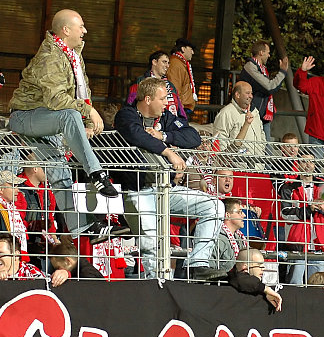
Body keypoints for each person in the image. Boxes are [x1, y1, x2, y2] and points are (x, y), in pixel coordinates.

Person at [9, 8, 119, 239]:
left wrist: (87, 120)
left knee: (60, 170)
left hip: (44, 119)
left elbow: (81, 91)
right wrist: (89, 111)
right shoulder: (50, 57)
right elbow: (56, 99)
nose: (85, 31)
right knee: (69, 116)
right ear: (66, 30)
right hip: (26, 117)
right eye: (81, 26)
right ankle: (96, 173)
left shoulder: (73, 56)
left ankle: (83, 228)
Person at [113, 77, 223, 280]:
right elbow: (137, 135)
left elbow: (193, 137)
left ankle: (197, 264)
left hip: (166, 188)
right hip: (137, 191)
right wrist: (169, 152)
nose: (166, 103)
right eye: (162, 99)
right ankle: (158, 282)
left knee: (214, 206)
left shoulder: (165, 118)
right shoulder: (126, 115)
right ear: (148, 99)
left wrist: (164, 136)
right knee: (152, 241)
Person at [280, 153, 324, 284]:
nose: (308, 165)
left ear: (315, 165)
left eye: (311, 162)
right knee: (295, 283)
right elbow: (285, 214)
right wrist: (308, 209)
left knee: (318, 284)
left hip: (320, 243)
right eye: (304, 162)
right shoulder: (289, 187)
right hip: (297, 243)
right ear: (298, 165)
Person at [238, 40, 288, 141]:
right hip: (252, 115)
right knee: (257, 146)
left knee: (266, 147)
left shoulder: (261, 69)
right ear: (261, 52)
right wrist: (282, 72)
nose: (269, 55)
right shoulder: (250, 67)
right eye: (268, 52)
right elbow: (269, 87)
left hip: (262, 115)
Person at [15, 156, 59, 262]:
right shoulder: (18, 189)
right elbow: (17, 221)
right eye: (45, 168)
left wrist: (54, 239)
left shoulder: (47, 190)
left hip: (42, 246)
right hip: (23, 246)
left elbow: (50, 217)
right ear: (35, 169)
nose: (49, 172)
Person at [214, 81, 265, 165]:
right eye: (247, 93)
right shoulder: (226, 113)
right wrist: (226, 163)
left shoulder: (255, 112)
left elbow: (262, 135)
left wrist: (261, 153)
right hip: (236, 167)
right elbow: (220, 142)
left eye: (251, 93)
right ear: (237, 95)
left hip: (258, 166)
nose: (251, 96)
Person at [126, 50, 185, 118]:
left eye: (168, 63)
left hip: (170, 121)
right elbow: (130, 105)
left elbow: (180, 110)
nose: (167, 66)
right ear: (154, 62)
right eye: (164, 62)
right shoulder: (141, 82)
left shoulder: (170, 85)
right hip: (147, 122)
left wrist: (182, 121)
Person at [210, 198, 248, 272]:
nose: (244, 215)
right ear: (228, 215)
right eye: (239, 212)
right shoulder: (217, 239)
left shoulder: (240, 238)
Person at [167, 38, 198, 115]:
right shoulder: (176, 64)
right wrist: (179, 109)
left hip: (182, 107)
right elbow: (175, 88)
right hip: (181, 108)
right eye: (191, 49)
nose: (193, 52)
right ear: (183, 49)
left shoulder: (180, 63)